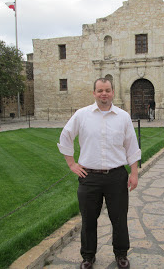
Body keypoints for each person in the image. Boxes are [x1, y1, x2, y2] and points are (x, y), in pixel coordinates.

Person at [57, 78, 141, 269]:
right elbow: (65, 136)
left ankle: (121, 254)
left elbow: (131, 146)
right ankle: (88, 256)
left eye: (107, 90)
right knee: (88, 219)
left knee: (119, 218)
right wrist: (71, 164)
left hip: (116, 176)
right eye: (100, 90)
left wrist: (134, 173)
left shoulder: (123, 117)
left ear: (113, 92)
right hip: (89, 177)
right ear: (94, 93)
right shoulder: (82, 115)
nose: (104, 94)